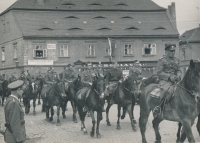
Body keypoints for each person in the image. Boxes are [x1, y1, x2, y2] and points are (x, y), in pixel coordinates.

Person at [153, 44, 182, 115]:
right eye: (171, 51)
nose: (173, 52)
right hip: (165, 80)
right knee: (166, 90)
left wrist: (178, 75)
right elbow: (159, 72)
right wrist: (169, 77)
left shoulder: (177, 60)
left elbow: (179, 70)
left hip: (175, 80)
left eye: (174, 51)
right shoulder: (162, 60)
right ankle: (159, 107)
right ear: (166, 51)